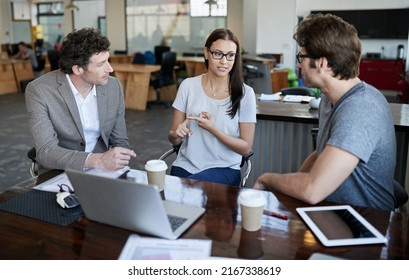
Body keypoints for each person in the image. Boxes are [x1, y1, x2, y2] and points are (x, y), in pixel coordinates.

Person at [253, 13, 397, 211]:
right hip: (333, 210)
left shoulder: (360, 107)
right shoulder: (328, 99)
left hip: (367, 222)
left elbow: (313, 189)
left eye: (301, 57)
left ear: (322, 63)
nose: (298, 64)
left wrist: (266, 179)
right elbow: (321, 153)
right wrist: (295, 183)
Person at [25, 28, 136, 173]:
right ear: (77, 69)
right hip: (60, 171)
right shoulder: (39, 90)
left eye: (108, 60)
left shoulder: (113, 86)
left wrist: (120, 165)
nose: (110, 68)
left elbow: (119, 140)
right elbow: (46, 151)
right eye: (101, 64)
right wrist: (98, 161)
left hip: (103, 171)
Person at [167, 28, 256, 187]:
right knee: (172, 198)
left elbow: (245, 148)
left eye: (230, 56)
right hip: (186, 165)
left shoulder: (245, 94)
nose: (224, 61)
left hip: (224, 168)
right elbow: (173, 137)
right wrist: (177, 134)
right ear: (206, 53)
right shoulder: (188, 86)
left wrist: (213, 129)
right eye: (218, 54)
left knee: (194, 190)